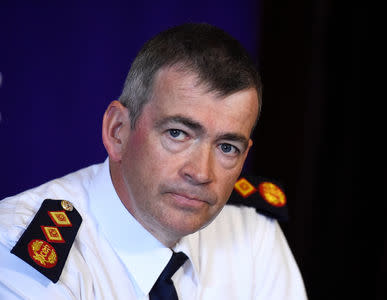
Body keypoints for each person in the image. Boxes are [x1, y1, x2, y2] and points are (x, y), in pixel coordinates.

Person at [0, 23, 307, 299]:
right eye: (178, 133)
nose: (201, 173)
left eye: (227, 147)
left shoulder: (250, 231)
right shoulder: (19, 244)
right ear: (117, 131)